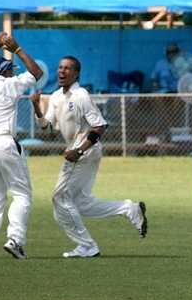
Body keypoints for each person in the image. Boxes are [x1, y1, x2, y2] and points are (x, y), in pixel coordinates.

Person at [30, 56, 147, 258]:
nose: (61, 71)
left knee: (59, 199)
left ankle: (87, 246)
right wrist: (36, 108)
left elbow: (99, 126)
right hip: (78, 151)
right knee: (79, 203)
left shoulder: (81, 95)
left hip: (84, 151)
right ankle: (129, 209)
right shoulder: (56, 96)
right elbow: (46, 130)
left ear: (76, 74)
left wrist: (80, 150)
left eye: (67, 68)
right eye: (60, 67)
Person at [0, 32, 44, 259]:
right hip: (5, 144)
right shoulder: (11, 84)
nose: (14, 72)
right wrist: (16, 49)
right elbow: (37, 72)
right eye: (12, 69)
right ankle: (15, 240)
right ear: (6, 72)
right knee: (22, 195)